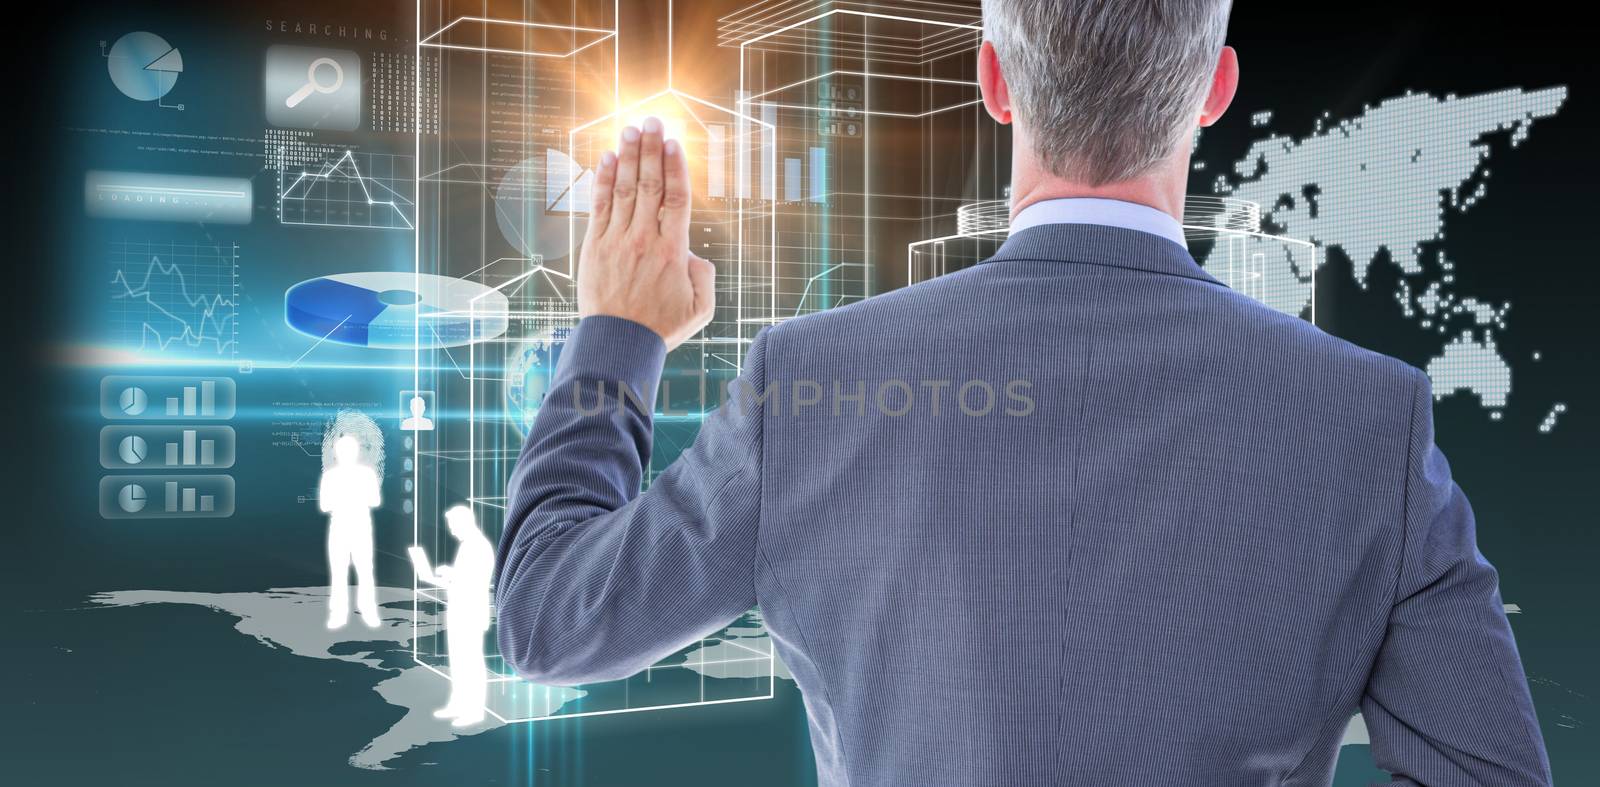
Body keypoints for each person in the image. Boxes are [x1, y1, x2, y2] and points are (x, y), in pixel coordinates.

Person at [493, 1, 1551, 783]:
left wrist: (618, 340)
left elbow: (549, 621)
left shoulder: (807, 385)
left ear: (994, 81)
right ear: (1216, 89)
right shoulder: (1367, 422)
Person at [413, 505, 493, 727]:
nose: (452, 530)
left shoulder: (477, 546)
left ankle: (474, 710)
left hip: (471, 612)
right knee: (459, 661)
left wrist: (450, 575)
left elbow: (473, 582)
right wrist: (447, 576)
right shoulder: (469, 545)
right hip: (461, 609)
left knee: (470, 662)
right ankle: (459, 704)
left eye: (453, 525)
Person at [320, 434, 381, 629]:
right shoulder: (330, 476)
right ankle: (339, 614)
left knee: (364, 570)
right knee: (340, 572)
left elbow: (375, 501)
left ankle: (368, 611)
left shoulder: (366, 474)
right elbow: (323, 505)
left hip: (359, 527)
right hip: (342, 527)